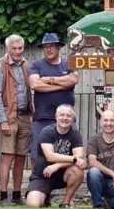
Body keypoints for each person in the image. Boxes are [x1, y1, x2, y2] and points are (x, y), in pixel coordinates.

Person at [0, 34, 34, 206]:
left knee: (21, 157)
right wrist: (2, 120)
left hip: (24, 115)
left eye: (20, 48)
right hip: (8, 117)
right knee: (7, 156)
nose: (17, 52)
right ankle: (3, 196)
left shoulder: (25, 64)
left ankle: (16, 195)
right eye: (14, 48)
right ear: (7, 48)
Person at [29, 33, 79, 169]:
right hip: (42, 118)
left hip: (67, 118)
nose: (48, 49)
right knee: (36, 154)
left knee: (72, 154)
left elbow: (73, 80)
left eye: (51, 46)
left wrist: (48, 80)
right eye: (45, 47)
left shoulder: (69, 63)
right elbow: (34, 85)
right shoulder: (36, 65)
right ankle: (37, 183)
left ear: (58, 48)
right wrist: (62, 85)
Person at [26, 104, 87, 208]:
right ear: (56, 116)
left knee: (78, 170)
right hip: (43, 176)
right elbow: (50, 156)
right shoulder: (47, 131)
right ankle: (45, 197)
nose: (65, 118)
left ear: (72, 119)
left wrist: (57, 165)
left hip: (63, 175)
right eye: (62, 115)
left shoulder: (75, 134)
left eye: (68, 116)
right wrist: (74, 159)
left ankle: (66, 202)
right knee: (33, 204)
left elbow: (80, 158)